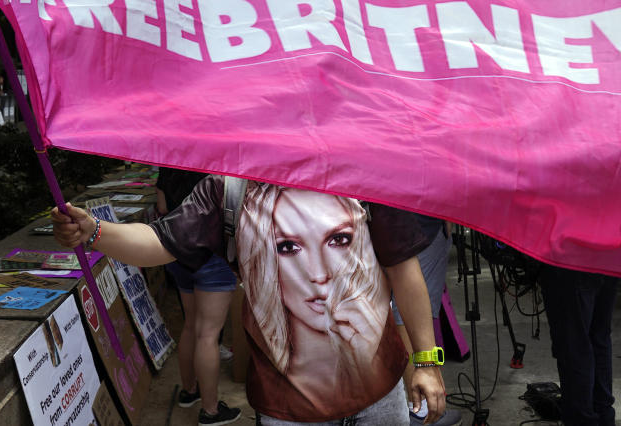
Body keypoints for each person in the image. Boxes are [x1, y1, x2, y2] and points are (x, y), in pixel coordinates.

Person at [53, 177, 447, 425]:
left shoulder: (361, 173)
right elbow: (160, 242)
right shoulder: (230, 191)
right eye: (288, 247)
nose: (317, 273)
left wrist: (427, 363)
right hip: (286, 410)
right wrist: (96, 232)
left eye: (339, 240)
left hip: (381, 398)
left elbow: (404, 271)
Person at [156, 167, 241, 425]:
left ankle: (189, 390)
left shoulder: (169, 165)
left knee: (191, 324)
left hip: (177, 253)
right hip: (212, 257)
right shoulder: (220, 169)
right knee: (208, 334)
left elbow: (161, 208)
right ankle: (211, 411)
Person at [390, 213, 462, 426]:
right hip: (420, 217)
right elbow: (406, 303)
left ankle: (419, 406)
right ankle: (420, 409)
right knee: (408, 303)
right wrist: (426, 365)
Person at [539, 264, 618, 426]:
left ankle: (584, 419)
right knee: (598, 340)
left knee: (574, 346)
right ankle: (602, 415)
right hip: (608, 255)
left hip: (572, 263)